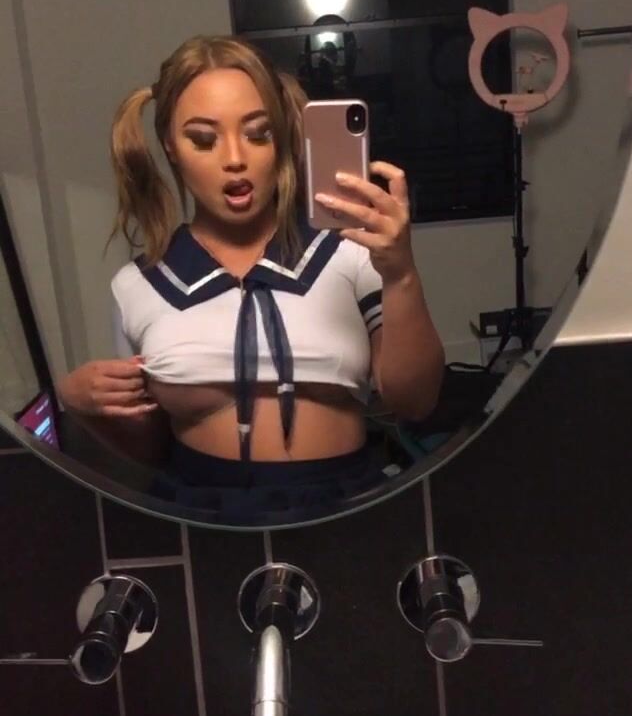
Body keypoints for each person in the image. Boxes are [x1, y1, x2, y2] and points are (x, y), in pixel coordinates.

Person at [57, 34, 445, 519]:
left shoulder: (350, 250)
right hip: (200, 511)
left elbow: (416, 402)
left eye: (258, 134)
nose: (235, 158)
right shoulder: (139, 285)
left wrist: (401, 274)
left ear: (280, 139)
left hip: (342, 506)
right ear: (171, 147)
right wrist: (80, 403)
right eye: (204, 139)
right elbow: (150, 450)